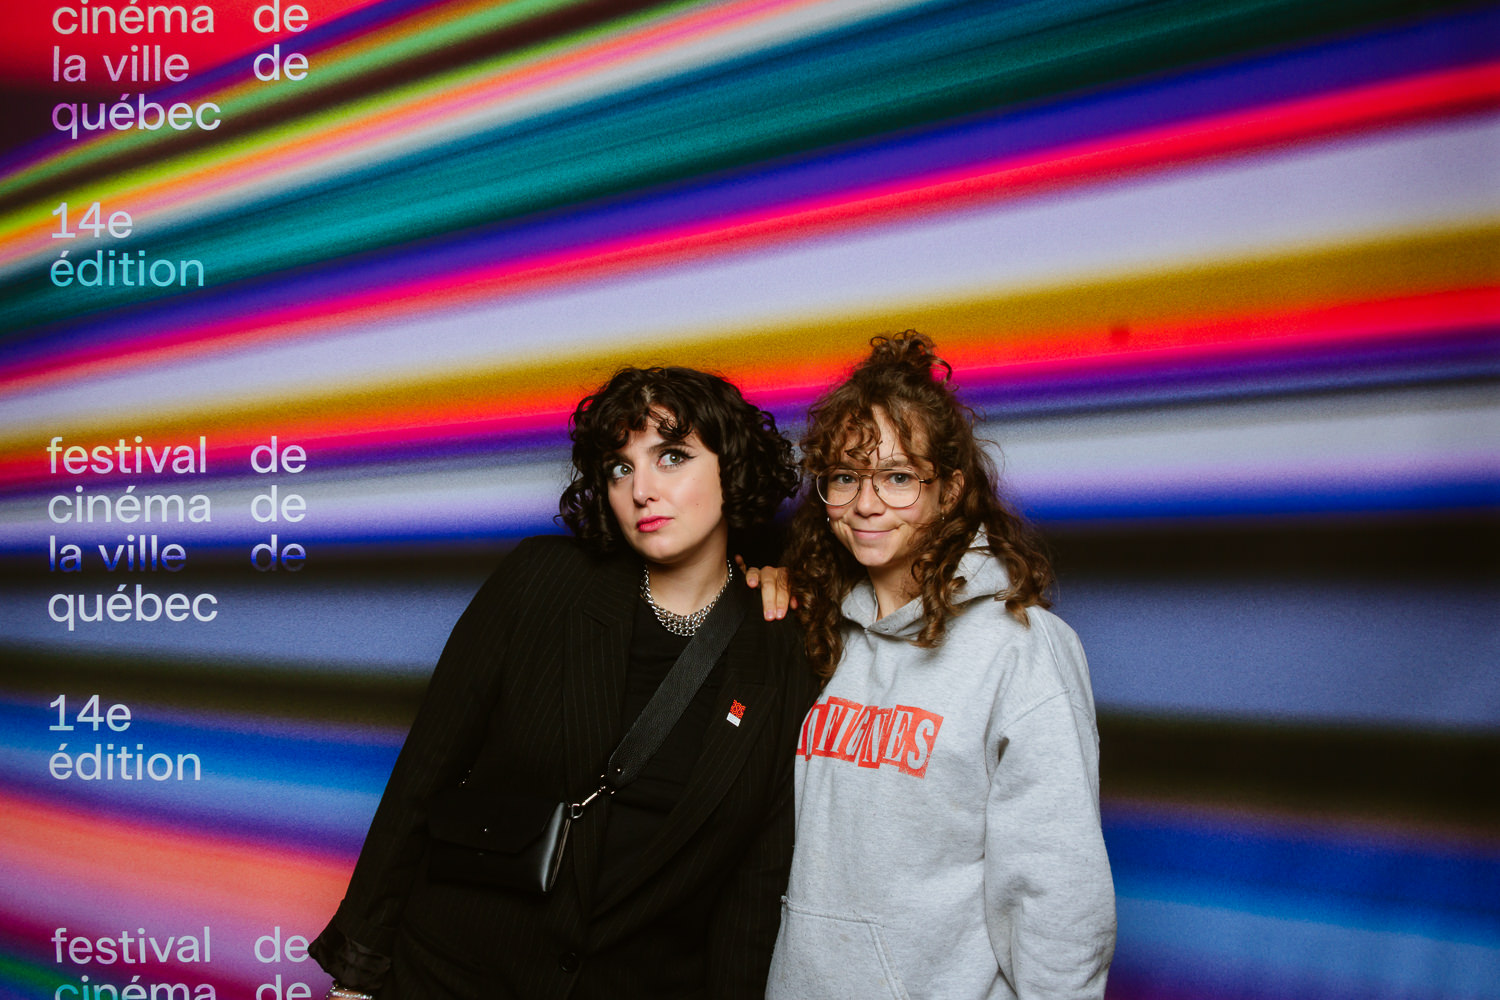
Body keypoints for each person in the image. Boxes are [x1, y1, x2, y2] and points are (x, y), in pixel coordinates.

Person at [309, 366, 817, 999]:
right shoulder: (542, 584)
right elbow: (422, 777)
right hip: (450, 975)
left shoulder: (782, 648)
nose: (642, 490)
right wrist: (356, 979)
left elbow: (754, 883)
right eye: (621, 468)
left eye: (672, 456)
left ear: (732, 468)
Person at [762, 332, 1116, 1000]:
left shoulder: (1021, 648)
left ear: (950, 490)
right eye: (845, 477)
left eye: (898, 478)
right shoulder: (816, 631)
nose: (867, 504)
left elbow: (1058, 894)